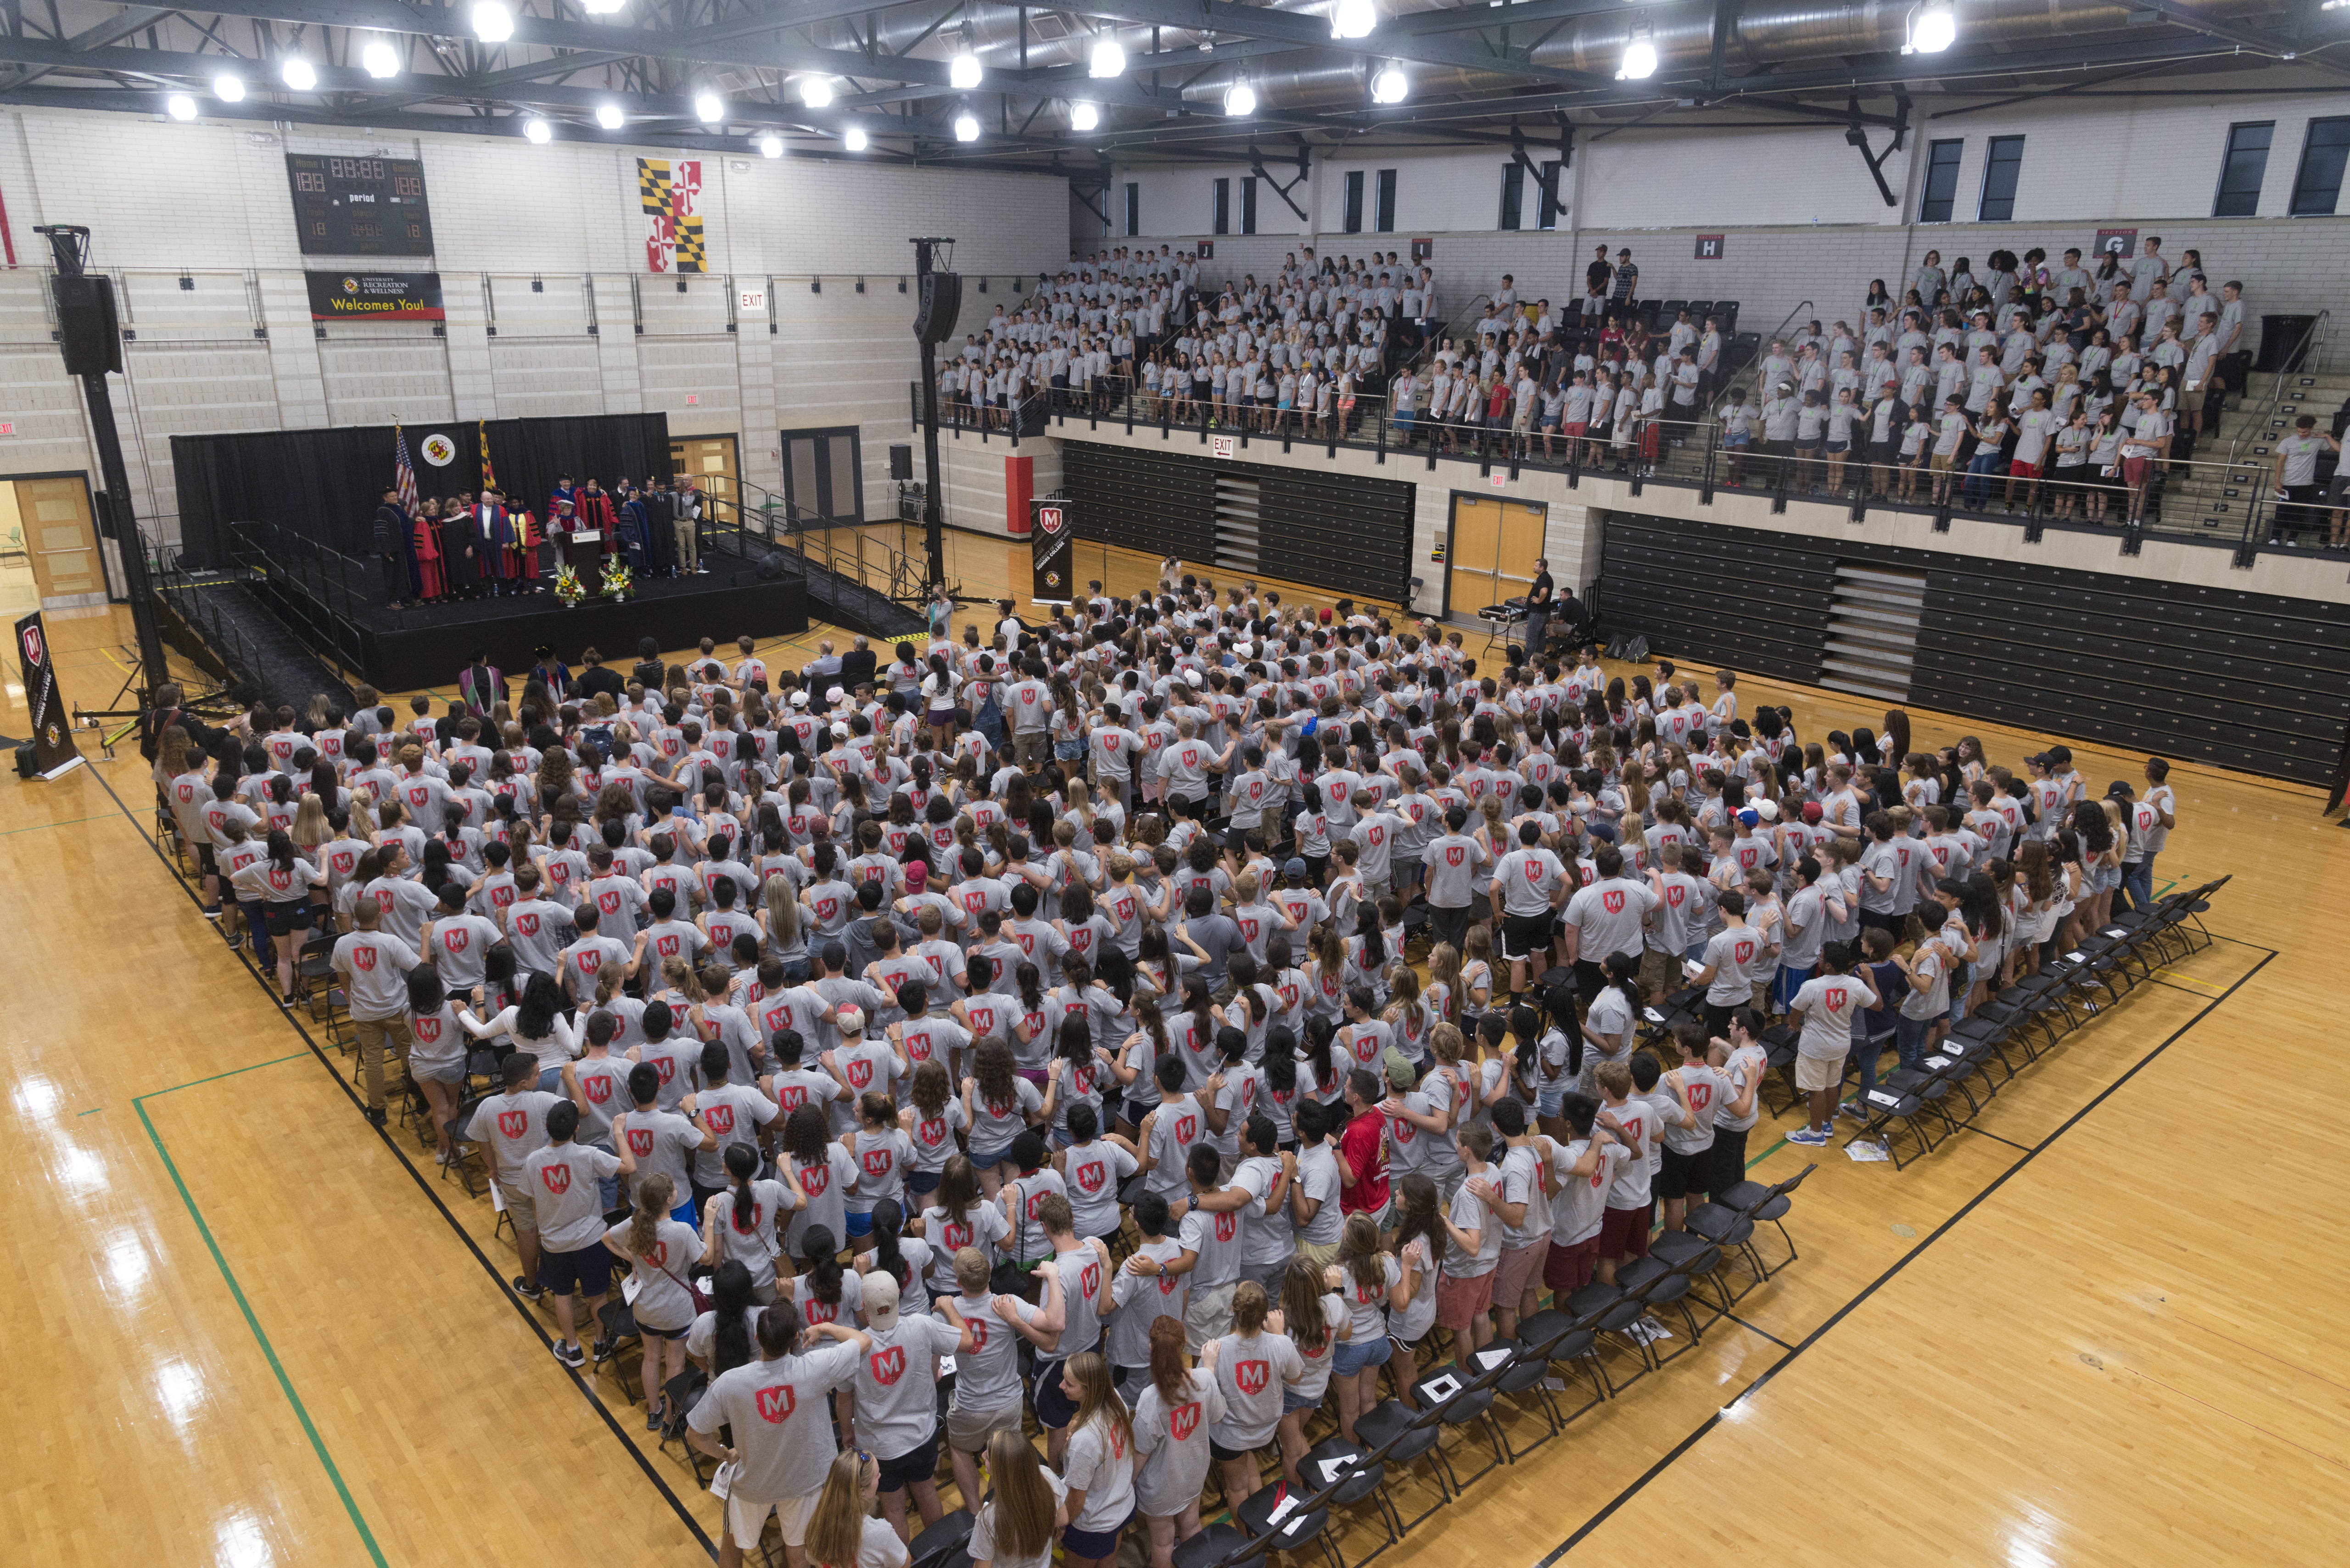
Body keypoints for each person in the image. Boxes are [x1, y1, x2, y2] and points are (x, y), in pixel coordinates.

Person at [685, 1302, 875, 1568]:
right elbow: (863, 1340)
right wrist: (824, 1327)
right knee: (799, 1554)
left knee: (732, 1546)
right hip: (806, 1482)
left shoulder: (729, 1382)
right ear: (796, 1339)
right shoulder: (816, 1368)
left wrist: (725, 1454)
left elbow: (694, 1433)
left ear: (756, 1338)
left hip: (753, 1484)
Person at [802, 1449, 910, 1568]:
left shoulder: (816, 1524)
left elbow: (810, 1558)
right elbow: (905, 1564)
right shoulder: (880, 1532)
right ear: (862, 1492)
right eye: (876, 1476)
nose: (880, 1476)